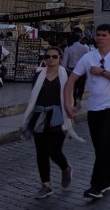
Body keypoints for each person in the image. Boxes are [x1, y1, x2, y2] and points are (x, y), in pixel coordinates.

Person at [64, 23, 110, 199]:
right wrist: (68, 103)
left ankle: (96, 186)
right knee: (101, 147)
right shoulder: (88, 57)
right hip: (94, 107)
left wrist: (102, 72)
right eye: (98, 35)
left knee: (104, 143)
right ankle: (108, 181)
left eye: (104, 35)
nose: (100, 38)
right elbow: (71, 81)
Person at [22, 47, 80, 199]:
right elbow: (34, 95)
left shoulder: (67, 74)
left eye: (54, 56)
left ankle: (66, 168)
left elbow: (73, 94)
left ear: (60, 58)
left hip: (59, 117)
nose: (50, 59)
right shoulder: (38, 75)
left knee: (54, 152)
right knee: (41, 152)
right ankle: (46, 185)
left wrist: (72, 108)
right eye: (47, 56)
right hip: (40, 116)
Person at [63, 34, 90, 107]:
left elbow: (64, 63)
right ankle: (79, 97)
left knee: (72, 86)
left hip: (71, 69)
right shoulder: (85, 48)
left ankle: (73, 100)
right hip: (82, 69)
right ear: (79, 39)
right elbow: (88, 60)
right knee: (81, 85)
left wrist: (66, 70)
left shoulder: (68, 48)